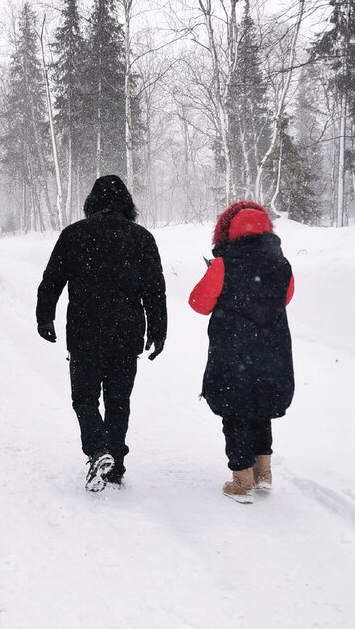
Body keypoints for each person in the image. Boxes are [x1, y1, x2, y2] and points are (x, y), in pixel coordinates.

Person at [36, 175, 167, 492]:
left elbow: (52, 279)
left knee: (84, 399)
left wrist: (45, 317)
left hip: (85, 332)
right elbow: (155, 290)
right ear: (127, 204)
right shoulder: (141, 238)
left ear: (92, 202)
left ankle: (98, 449)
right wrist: (158, 330)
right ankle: (115, 465)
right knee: (118, 401)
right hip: (126, 334)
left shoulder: (74, 235)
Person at [188, 201, 294, 503]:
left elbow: (199, 303)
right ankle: (263, 473)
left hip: (233, 351)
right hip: (272, 350)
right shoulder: (282, 263)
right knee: (261, 410)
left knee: (235, 412)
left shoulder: (224, 263)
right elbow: (285, 297)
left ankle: (241, 480)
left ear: (228, 231)